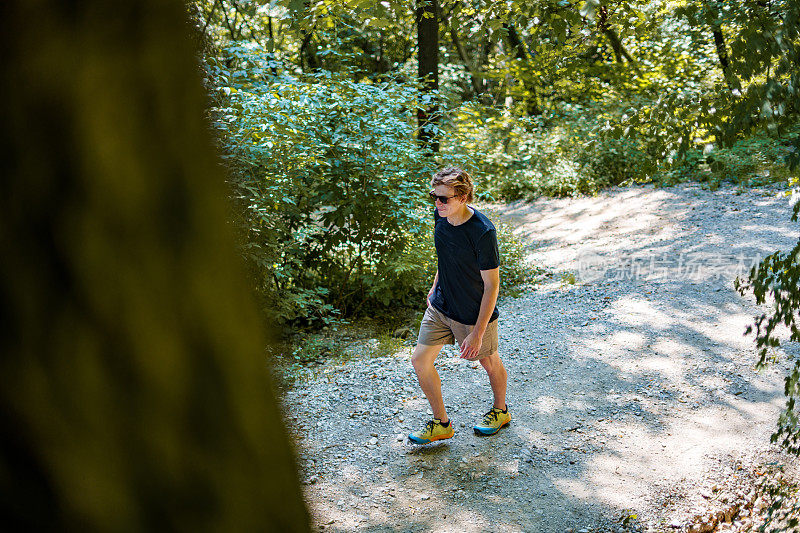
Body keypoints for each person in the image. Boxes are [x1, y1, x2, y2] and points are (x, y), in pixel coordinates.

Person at [408, 167, 511, 444]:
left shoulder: (482, 232)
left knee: (489, 362)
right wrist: (433, 289)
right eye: (435, 197)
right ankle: (441, 423)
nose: (437, 204)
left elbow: (492, 286)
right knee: (420, 361)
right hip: (441, 307)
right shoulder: (440, 216)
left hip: (472, 313)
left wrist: (477, 333)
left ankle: (500, 411)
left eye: (444, 199)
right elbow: (445, 258)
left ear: (463, 197)